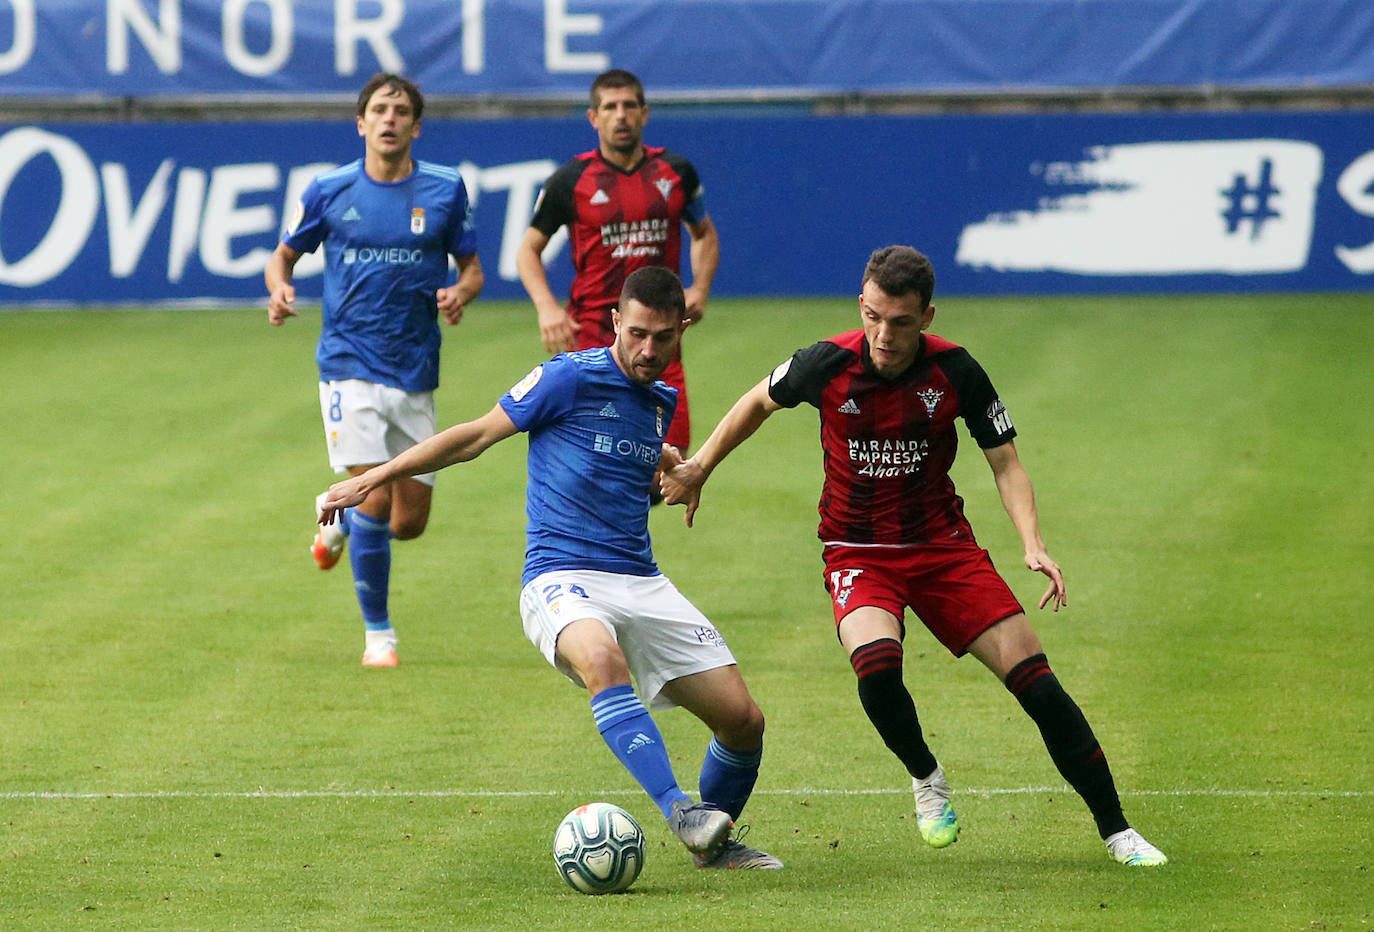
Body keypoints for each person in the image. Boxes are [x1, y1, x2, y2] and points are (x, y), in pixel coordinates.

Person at [661, 245, 1168, 867]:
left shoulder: (956, 370)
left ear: (926, 316)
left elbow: (1005, 462)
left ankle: (1118, 831)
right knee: (876, 668)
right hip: (858, 551)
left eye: (900, 322)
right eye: (873, 316)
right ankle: (926, 776)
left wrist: (1033, 544)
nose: (883, 334)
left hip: (943, 550)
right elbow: (756, 402)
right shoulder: (826, 362)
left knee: (1038, 687)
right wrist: (700, 468)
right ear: (861, 305)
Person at [317, 267, 780, 870]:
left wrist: (668, 465)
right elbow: (475, 435)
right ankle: (679, 809)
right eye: (636, 333)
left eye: (662, 337)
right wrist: (377, 477)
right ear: (615, 321)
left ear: (681, 329)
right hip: (559, 577)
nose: (647, 350)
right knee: (602, 660)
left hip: (639, 577)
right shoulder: (567, 377)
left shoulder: (658, 401)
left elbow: (621, 460)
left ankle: (712, 848)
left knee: (743, 722)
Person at [265, 72, 484, 668]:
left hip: (413, 369)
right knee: (376, 497)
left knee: (410, 522)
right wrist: (280, 287)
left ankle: (337, 528)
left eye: (401, 111)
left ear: (416, 125)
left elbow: (472, 269)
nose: (390, 120)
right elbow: (283, 255)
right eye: (379, 110)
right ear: (361, 124)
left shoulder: (444, 190)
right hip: (346, 365)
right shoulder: (330, 189)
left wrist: (461, 292)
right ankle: (378, 636)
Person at [515, 68, 719, 454]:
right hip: (591, 336)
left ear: (645, 113)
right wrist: (546, 307)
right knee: (595, 456)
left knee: (668, 458)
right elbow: (528, 249)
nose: (620, 115)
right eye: (610, 107)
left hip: (658, 338)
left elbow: (704, 233)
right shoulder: (569, 181)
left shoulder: (676, 172)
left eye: (629, 106)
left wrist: (701, 289)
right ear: (594, 117)